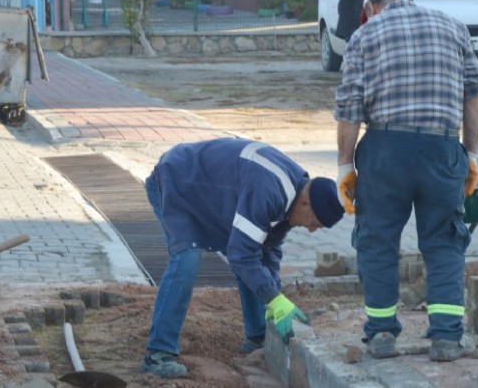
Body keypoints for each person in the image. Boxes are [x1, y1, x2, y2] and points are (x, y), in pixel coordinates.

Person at [333, 0, 478, 362]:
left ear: (369, 8)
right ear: (409, 0)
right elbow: (475, 93)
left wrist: (343, 167)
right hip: (441, 148)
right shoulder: (454, 28)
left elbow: (349, 108)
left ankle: (382, 333)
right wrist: (470, 153)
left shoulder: (364, 37)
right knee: (444, 241)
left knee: (378, 241)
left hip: (385, 152)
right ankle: (448, 338)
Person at [141, 138, 345, 378]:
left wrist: (273, 298)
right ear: (305, 202)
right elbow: (241, 255)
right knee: (187, 256)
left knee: (250, 254)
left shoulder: (295, 191)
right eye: (315, 223)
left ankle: (257, 336)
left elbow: (267, 250)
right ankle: (158, 354)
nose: (311, 229)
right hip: (176, 182)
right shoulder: (270, 191)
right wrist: (273, 298)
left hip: (210, 196)